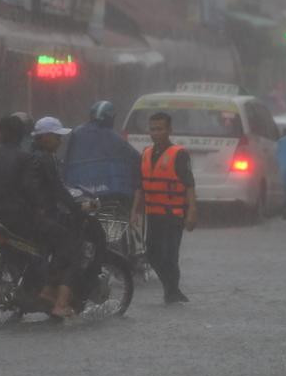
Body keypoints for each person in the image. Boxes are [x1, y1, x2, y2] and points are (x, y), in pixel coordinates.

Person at [131, 112, 198, 304]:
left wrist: (192, 211)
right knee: (151, 254)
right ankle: (172, 289)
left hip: (174, 214)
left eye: (160, 129)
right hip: (153, 214)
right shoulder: (145, 154)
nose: (156, 133)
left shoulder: (179, 154)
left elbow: (189, 184)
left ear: (169, 130)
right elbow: (140, 186)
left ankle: (171, 292)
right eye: (152, 129)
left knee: (170, 255)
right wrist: (135, 210)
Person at [26, 116, 89, 318]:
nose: (60, 142)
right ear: (45, 137)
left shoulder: (31, 155)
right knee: (74, 251)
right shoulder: (44, 159)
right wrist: (78, 208)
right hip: (41, 218)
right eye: (56, 137)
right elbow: (58, 190)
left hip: (28, 216)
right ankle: (58, 302)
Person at [63, 100, 142, 207]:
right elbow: (135, 157)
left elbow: (67, 158)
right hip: (109, 192)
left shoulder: (77, 132)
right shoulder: (113, 137)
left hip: (77, 190)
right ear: (110, 118)